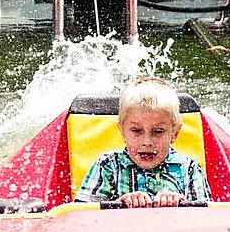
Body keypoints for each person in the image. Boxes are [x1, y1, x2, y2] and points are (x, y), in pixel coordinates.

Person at [75, 78, 212, 207]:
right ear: (122, 131)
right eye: (136, 130)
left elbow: (208, 222)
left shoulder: (190, 169)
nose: (147, 142)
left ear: (175, 133)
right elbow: (80, 219)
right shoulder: (107, 166)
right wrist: (117, 205)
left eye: (158, 131)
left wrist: (184, 205)